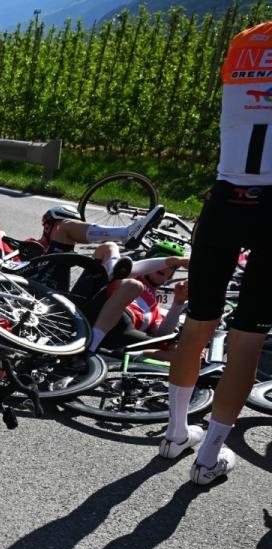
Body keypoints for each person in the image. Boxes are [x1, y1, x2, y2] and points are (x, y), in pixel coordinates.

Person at [160, 20, 272, 484]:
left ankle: (173, 434)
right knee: (248, 338)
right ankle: (208, 458)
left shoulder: (246, 40)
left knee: (199, 322)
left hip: (225, 197)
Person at [85, 241, 189, 355]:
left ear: (171, 275)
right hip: (99, 311)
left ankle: (116, 357)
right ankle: (91, 346)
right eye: (161, 259)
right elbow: (110, 251)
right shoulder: (132, 273)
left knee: (180, 349)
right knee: (112, 247)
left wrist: (178, 302)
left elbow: (162, 335)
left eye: (172, 267)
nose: (166, 267)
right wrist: (176, 261)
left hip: (124, 333)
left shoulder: (156, 307)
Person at [38, 203, 166, 254]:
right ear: (48, 226)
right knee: (65, 227)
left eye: (77, 225)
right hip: (38, 286)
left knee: (109, 248)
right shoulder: (31, 244)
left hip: (62, 292)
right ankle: (125, 233)